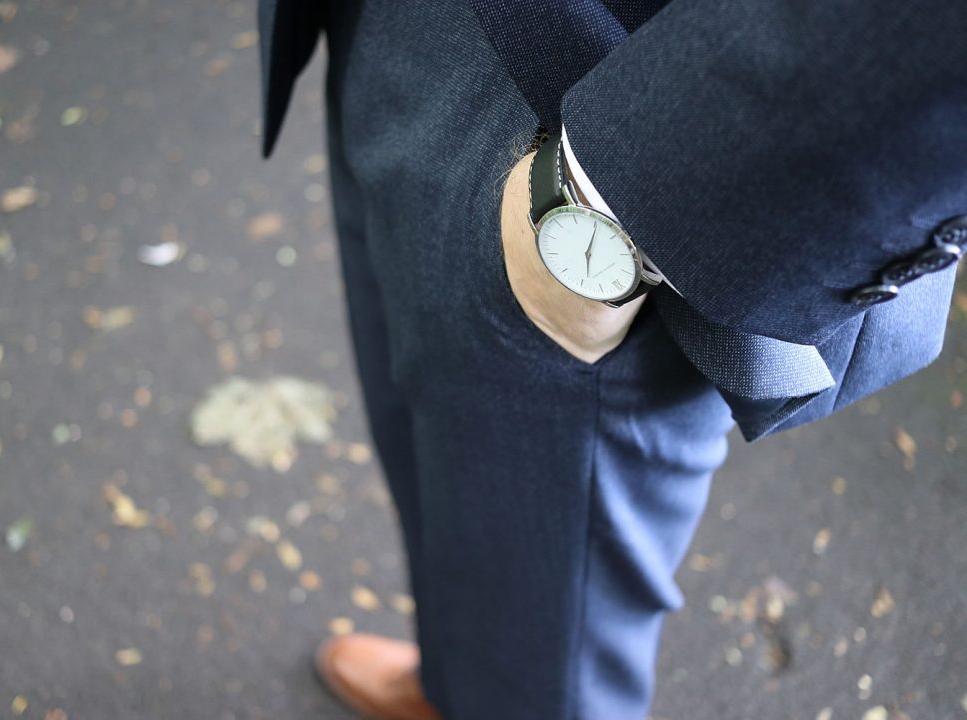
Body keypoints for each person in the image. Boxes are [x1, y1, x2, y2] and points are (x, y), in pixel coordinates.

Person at [258, 1, 967, 717]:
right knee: (439, 467)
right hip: (411, 32)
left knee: (552, 613)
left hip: (636, 102)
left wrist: (607, 203)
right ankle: (463, 685)